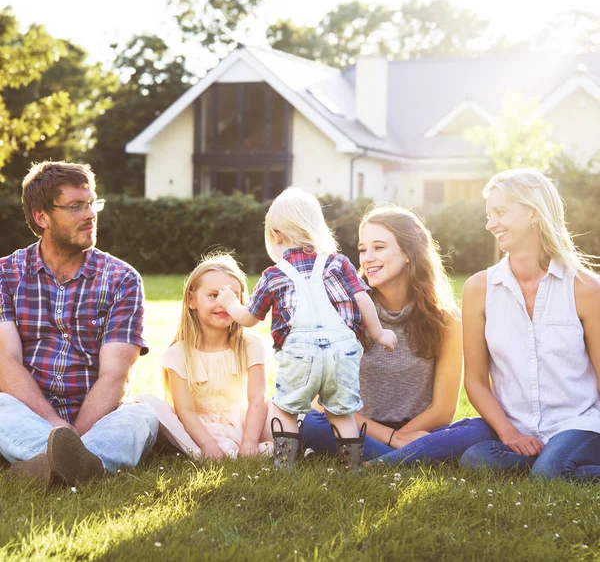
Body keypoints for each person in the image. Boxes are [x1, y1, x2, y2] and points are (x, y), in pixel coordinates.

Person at [0, 161, 158, 487]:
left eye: (91, 203)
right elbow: (6, 363)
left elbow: (115, 375)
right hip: (30, 413)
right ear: (42, 216)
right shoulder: (5, 275)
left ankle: (45, 464)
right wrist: (54, 426)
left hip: (98, 418)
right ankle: (81, 464)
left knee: (142, 416)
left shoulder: (123, 279)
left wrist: (76, 436)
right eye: (76, 206)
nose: (90, 214)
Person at [217, 187, 397, 471]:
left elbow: (250, 318)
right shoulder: (338, 262)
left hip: (300, 353)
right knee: (342, 414)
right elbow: (362, 298)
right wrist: (379, 334)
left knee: (286, 409)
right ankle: (351, 467)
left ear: (275, 234)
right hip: (343, 352)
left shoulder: (273, 275)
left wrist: (229, 303)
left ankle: (283, 466)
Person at [300, 206, 496, 465]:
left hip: (418, 430)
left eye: (379, 247)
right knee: (310, 420)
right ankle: (408, 458)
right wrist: (392, 438)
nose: (367, 258)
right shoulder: (345, 310)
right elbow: (325, 402)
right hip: (354, 426)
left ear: (408, 253)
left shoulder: (446, 319)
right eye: (362, 249)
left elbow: (443, 410)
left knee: (482, 428)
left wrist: (404, 436)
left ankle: (381, 460)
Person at [460, 167, 600, 481]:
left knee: (548, 475)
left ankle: (551, 465)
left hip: (579, 424)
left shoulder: (586, 289)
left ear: (533, 213)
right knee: (476, 459)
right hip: (520, 429)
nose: (490, 223)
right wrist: (509, 434)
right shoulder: (479, 289)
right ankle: (549, 463)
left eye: (500, 212)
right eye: (488, 214)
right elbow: (476, 381)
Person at [135, 254, 273, 460]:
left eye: (231, 297)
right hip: (200, 429)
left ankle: (248, 449)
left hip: (244, 424)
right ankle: (213, 451)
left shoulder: (251, 346)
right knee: (149, 404)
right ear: (192, 300)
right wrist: (208, 443)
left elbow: (256, 400)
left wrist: (250, 441)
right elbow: (185, 411)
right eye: (214, 295)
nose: (223, 303)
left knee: (284, 408)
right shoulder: (178, 354)